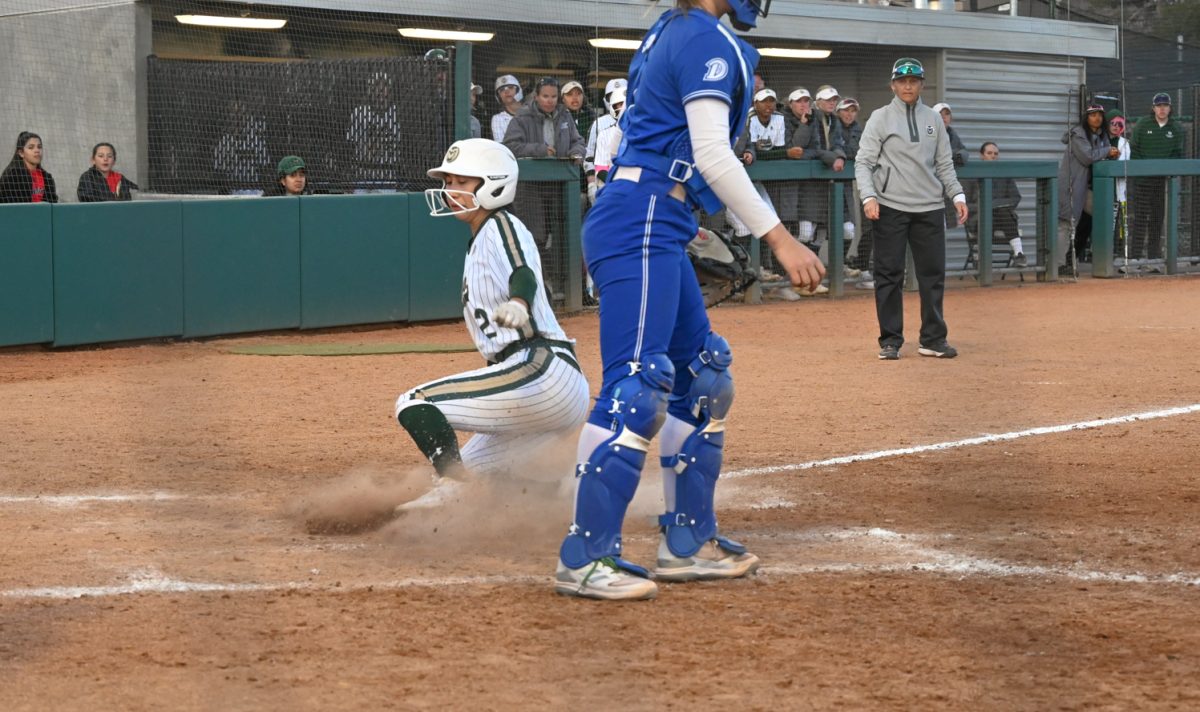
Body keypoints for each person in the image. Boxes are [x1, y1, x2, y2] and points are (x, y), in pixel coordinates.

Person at [555, 0, 823, 601]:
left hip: (659, 216)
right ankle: (585, 556)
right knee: (635, 386)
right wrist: (778, 239)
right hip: (643, 216)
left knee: (702, 377)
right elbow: (711, 152)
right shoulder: (700, 37)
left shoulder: (675, 31)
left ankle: (686, 543)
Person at [394, 138, 589, 511]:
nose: (450, 191)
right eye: (448, 181)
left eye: (462, 182)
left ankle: (453, 483)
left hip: (541, 369)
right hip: (539, 385)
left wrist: (519, 301)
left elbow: (524, 272)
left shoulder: (501, 224)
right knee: (482, 478)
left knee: (415, 402)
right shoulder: (481, 239)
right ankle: (563, 497)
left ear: (494, 183)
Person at [855, 58, 967, 361]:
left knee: (933, 274)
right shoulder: (879, 118)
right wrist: (869, 197)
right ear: (893, 84)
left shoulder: (933, 119)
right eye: (902, 81)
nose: (908, 86)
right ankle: (890, 341)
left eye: (914, 81)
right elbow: (863, 162)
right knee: (889, 274)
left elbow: (945, 164)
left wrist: (957, 195)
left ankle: (933, 339)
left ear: (921, 85)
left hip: (930, 207)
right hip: (890, 206)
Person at [1055, 104, 1117, 272]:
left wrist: (1111, 153)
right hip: (1071, 185)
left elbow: (1104, 157)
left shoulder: (1102, 135)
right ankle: (1059, 264)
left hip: (1088, 188)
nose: (1097, 118)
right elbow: (1088, 157)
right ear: (1086, 117)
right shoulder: (1078, 134)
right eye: (1092, 115)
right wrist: (1107, 151)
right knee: (1065, 223)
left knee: (1095, 219)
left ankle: (1075, 259)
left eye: (1099, 115)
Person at [1129, 92, 1185, 271]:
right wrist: (1142, 171)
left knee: (1157, 219)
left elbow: (1178, 153)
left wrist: (1167, 173)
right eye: (1159, 105)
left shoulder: (1176, 128)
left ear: (1170, 108)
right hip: (1142, 182)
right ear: (1153, 108)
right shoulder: (1142, 124)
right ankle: (1135, 258)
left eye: (1165, 105)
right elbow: (1134, 149)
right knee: (1140, 219)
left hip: (1163, 183)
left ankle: (1154, 259)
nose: (1162, 109)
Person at [964, 142, 1026, 267]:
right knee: (991, 214)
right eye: (989, 153)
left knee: (1003, 212)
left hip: (1001, 218)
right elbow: (965, 204)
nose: (993, 156)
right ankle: (980, 257)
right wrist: (986, 207)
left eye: (996, 154)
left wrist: (994, 205)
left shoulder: (1004, 175)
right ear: (982, 155)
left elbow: (1015, 198)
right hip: (979, 219)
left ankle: (1019, 254)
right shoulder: (971, 175)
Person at [345, 72, 401, 192]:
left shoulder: (398, 113)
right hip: (362, 173)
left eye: (384, 86)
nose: (380, 90)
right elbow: (351, 145)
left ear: (390, 90)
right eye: (376, 86)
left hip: (387, 174)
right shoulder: (360, 113)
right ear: (370, 90)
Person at [0, 131, 58, 203]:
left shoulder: (47, 177)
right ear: (21, 153)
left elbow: (53, 204)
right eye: (31, 147)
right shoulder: (12, 176)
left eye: (39, 147)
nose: (37, 150)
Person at [1105, 110, 1132, 267]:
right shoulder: (1100, 140)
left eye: (1119, 124)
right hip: (1100, 191)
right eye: (1113, 123)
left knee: (1118, 225)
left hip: (1117, 192)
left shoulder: (1124, 143)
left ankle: (1116, 255)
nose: (1116, 127)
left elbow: (1123, 165)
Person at [490, 74, 524, 143]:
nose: (506, 91)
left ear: (518, 91)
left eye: (511, 87)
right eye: (502, 90)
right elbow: (502, 145)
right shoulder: (498, 119)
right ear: (499, 96)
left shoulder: (531, 113)